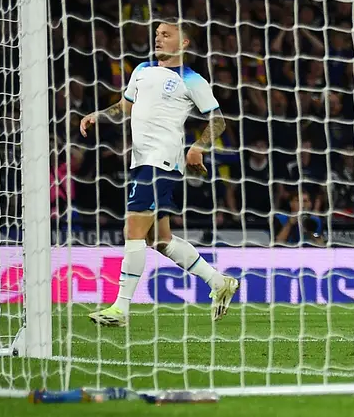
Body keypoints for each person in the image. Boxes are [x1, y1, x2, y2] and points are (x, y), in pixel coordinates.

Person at [80, 21, 240, 326]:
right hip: (141, 161)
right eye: (157, 34)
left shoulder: (192, 79)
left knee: (133, 232)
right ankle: (219, 282)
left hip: (162, 161)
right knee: (160, 239)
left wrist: (198, 147)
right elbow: (125, 107)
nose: (158, 38)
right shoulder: (141, 70)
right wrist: (98, 115)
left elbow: (217, 121)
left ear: (184, 42)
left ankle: (121, 308)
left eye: (166, 34)